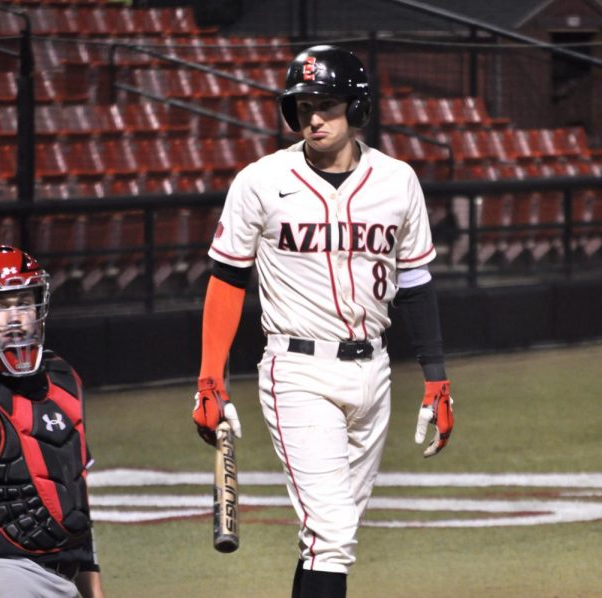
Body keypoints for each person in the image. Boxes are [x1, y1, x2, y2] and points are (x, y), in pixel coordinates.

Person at [192, 45, 454, 597]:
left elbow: (415, 282)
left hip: (374, 371)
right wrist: (210, 377)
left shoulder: (397, 180)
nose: (313, 117)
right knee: (332, 533)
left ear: (356, 108)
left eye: (328, 104)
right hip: (297, 370)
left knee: (329, 539)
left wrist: (436, 376)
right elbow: (226, 281)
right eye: (303, 104)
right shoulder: (261, 181)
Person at [0, 244, 104, 597]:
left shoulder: (64, 379)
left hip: (65, 579)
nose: (14, 318)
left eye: (23, 303)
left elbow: (75, 502)